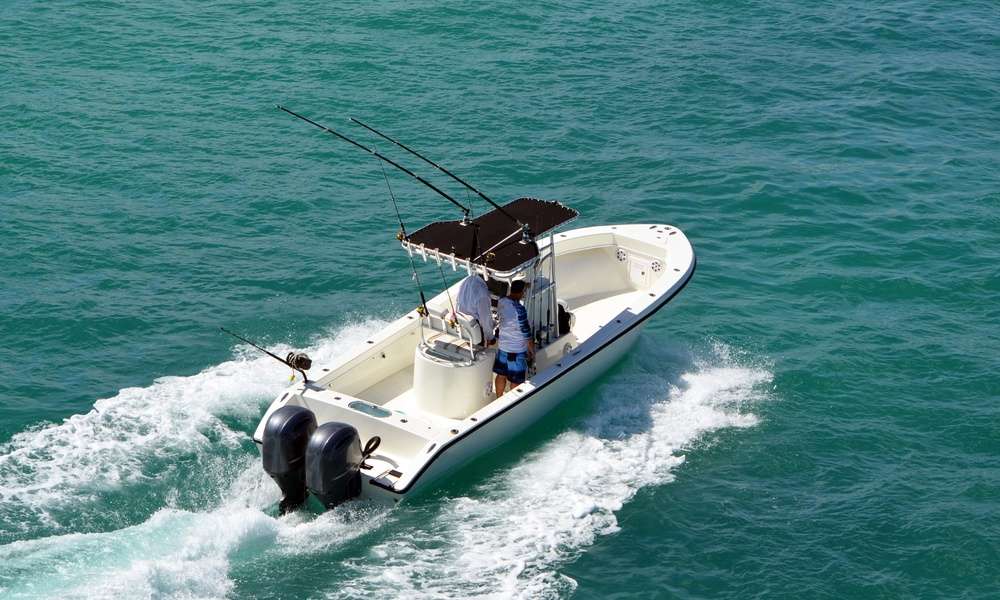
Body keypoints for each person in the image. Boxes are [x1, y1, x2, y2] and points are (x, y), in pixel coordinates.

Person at [493, 280, 534, 396]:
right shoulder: (520, 310)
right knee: (515, 381)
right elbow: (526, 334)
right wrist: (532, 351)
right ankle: (510, 404)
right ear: (521, 292)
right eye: (524, 291)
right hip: (517, 351)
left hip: (503, 347)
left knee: (501, 375)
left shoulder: (502, 301)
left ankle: (498, 398)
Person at [455, 274, 495, 345]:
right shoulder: (483, 295)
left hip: (462, 323)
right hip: (474, 328)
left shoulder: (468, 280)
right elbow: (485, 319)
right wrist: (490, 337)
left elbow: (458, 301)